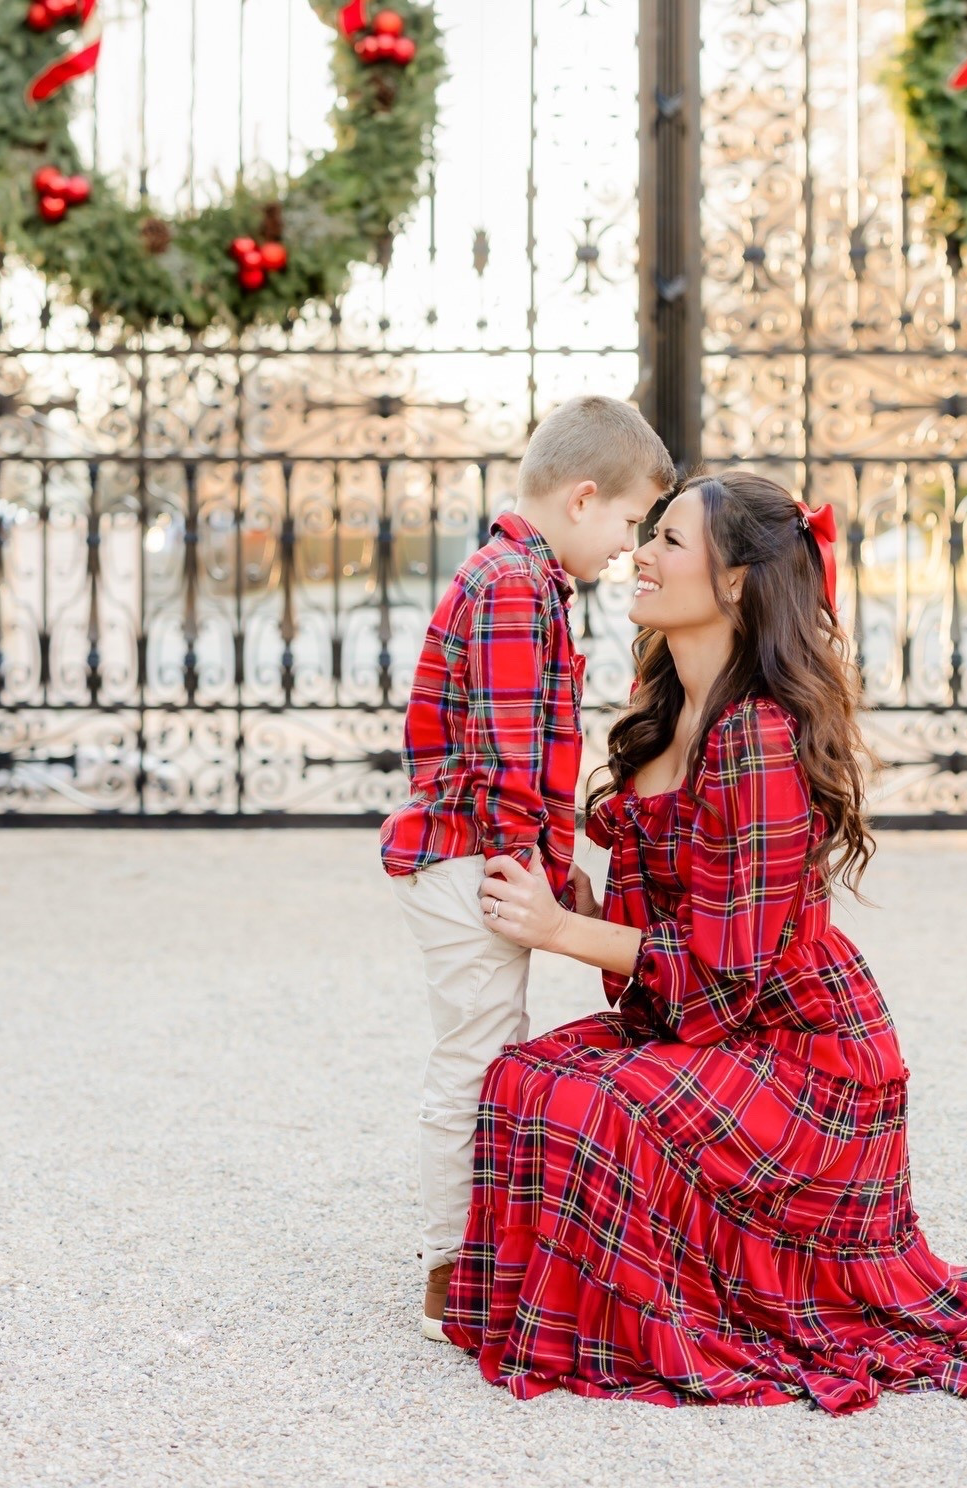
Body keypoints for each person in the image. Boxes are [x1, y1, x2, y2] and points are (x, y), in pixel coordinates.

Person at [453, 470, 967, 1412]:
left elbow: (722, 981)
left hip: (803, 1059)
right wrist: (575, 892)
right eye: (649, 535)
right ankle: (626, 1304)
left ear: (736, 583)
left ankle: (689, 1313)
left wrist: (564, 932)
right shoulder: (665, 713)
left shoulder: (755, 735)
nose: (640, 553)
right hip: (712, 1032)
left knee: (588, 1111)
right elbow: (660, 943)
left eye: (670, 541)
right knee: (524, 1079)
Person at [381, 395, 675, 1339]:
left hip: (485, 849)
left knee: (488, 1044)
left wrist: (562, 867)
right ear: (584, 498)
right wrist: (532, 870)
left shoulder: (524, 578)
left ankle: (472, 1252)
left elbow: (527, 753)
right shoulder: (512, 583)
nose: (632, 548)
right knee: (473, 1056)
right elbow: (511, 762)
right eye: (632, 522)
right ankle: (447, 1271)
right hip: (474, 854)